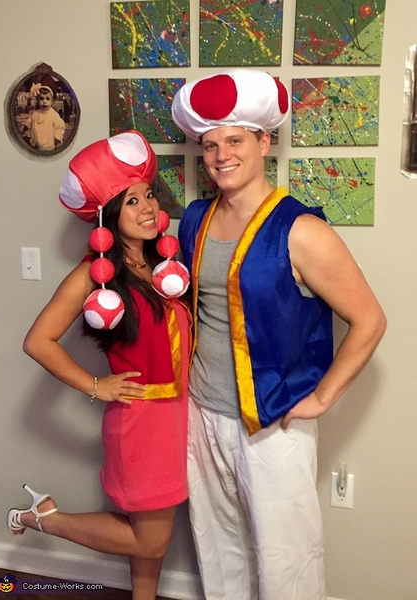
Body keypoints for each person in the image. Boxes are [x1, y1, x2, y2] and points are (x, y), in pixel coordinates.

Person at [171, 69, 387, 600]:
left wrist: (321, 396)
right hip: (201, 411)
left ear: (265, 141)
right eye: (210, 144)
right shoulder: (194, 220)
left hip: (270, 418)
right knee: (218, 547)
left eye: (235, 140)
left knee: (285, 557)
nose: (221, 155)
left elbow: (370, 319)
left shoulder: (302, 230)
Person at [7, 130, 191, 600]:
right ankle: (46, 516)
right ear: (108, 215)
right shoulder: (94, 273)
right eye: (132, 202)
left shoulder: (166, 264)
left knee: (149, 540)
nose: (149, 207)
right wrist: (96, 385)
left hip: (178, 416)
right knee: (151, 538)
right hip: (141, 421)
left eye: (149, 195)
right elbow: (38, 341)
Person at [25, 84, 65, 151]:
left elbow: (59, 127)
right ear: (37, 100)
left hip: (49, 147)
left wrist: (57, 140)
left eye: (47, 99)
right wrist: (24, 129)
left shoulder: (53, 115)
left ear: (51, 101)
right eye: (41, 98)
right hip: (37, 146)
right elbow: (29, 123)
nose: (44, 102)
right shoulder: (35, 114)